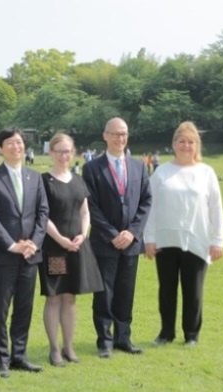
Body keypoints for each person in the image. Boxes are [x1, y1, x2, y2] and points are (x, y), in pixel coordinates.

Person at [144, 121, 223, 346]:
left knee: (193, 291)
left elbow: (216, 208)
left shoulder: (206, 173)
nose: (186, 146)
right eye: (181, 141)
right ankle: (166, 332)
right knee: (167, 290)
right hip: (165, 241)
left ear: (196, 145)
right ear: (174, 144)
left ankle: (191, 334)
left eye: (190, 142)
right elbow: (150, 208)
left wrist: (217, 240)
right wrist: (148, 239)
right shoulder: (161, 173)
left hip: (197, 240)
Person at [0, 126, 50, 378]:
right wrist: (12, 244)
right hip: (4, 255)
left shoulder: (35, 177)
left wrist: (34, 242)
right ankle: (1, 358)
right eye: (9, 143)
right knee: (1, 308)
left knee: (24, 307)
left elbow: (43, 213)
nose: (15, 146)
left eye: (19, 142)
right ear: (0, 149)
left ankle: (19, 355)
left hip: (31, 254)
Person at [82, 117, 152, 358]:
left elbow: (146, 201)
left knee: (126, 291)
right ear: (105, 136)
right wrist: (112, 234)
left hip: (130, 243)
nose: (119, 138)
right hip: (104, 243)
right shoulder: (92, 168)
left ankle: (124, 338)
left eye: (123, 134)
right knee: (104, 293)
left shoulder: (139, 166)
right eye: (115, 134)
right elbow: (91, 206)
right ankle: (104, 341)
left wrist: (132, 233)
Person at [39, 133, 104, 367]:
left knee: (71, 298)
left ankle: (69, 346)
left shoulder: (78, 180)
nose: (64, 155)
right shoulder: (44, 181)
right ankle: (54, 349)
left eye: (67, 151)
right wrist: (60, 239)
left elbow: (84, 211)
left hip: (77, 246)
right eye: (59, 151)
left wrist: (82, 234)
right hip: (54, 248)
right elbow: (42, 216)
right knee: (54, 298)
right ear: (51, 153)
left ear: (73, 153)